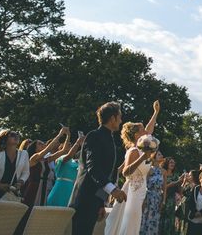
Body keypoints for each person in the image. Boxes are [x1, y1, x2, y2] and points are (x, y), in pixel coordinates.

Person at [105, 99, 161, 235]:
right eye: (143, 130)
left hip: (141, 190)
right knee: (130, 221)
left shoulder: (142, 149)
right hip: (133, 190)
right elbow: (126, 172)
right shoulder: (134, 151)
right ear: (137, 135)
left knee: (135, 221)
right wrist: (143, 158)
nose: (147, 132)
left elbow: (150, 128)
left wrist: (156, 112)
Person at [70, 102, 127, 235]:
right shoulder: (94, 136)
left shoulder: (110, 138)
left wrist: (101, 202)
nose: (121, 120)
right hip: (84, 199)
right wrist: (113, 190)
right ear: (112, 118)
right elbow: (93, 168)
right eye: (119, 116)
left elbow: (107, 173)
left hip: (94, 201)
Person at [23, 126, 70, 206]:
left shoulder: (46, 159)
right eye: (40, 144)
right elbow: (47, 150)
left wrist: (68, 135)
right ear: (34, 148)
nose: (43, 145)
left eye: (43, 143)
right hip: (35, 188)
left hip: (46, 188)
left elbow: (64, 151)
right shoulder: (34, 158)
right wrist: (60, 134)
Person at [47, 132, 86, 206]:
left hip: (72, 188)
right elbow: (68, 156)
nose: (70, 146)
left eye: (70, 145)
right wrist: (77, 143)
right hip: (61, 187)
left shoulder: (75, 161)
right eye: (67, 145)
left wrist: (83, 145)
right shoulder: (60, 158)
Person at [0, 129, 29, 201]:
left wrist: (20, 182)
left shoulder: (24, 154)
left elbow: (26, 172)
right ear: (4, 139)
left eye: (17, 134)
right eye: (12, 135)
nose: (16, 136)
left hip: (13, 194)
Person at [141, 150, 167, 235]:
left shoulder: (164, 171)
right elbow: (144, 184)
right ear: (154, 157)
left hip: (157, 198)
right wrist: (143, 199)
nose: (161, 155)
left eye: (161, 154)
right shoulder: (149, 169)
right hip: (148, 196)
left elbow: (164, 188)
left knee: (154, 220)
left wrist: (163, 201)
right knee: (145, 218)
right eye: (159, 154)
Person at [161, 157, 182, 235]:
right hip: (162, 198)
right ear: (166, 163)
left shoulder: (176, 175)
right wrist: (173, 183)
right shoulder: (163, 173)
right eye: (171, 162)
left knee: (170, 220)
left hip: (171, 201)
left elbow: (179, 190)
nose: (173, 164)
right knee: (161, 218)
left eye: (173, 163)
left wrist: (181, 183)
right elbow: (162, 187)